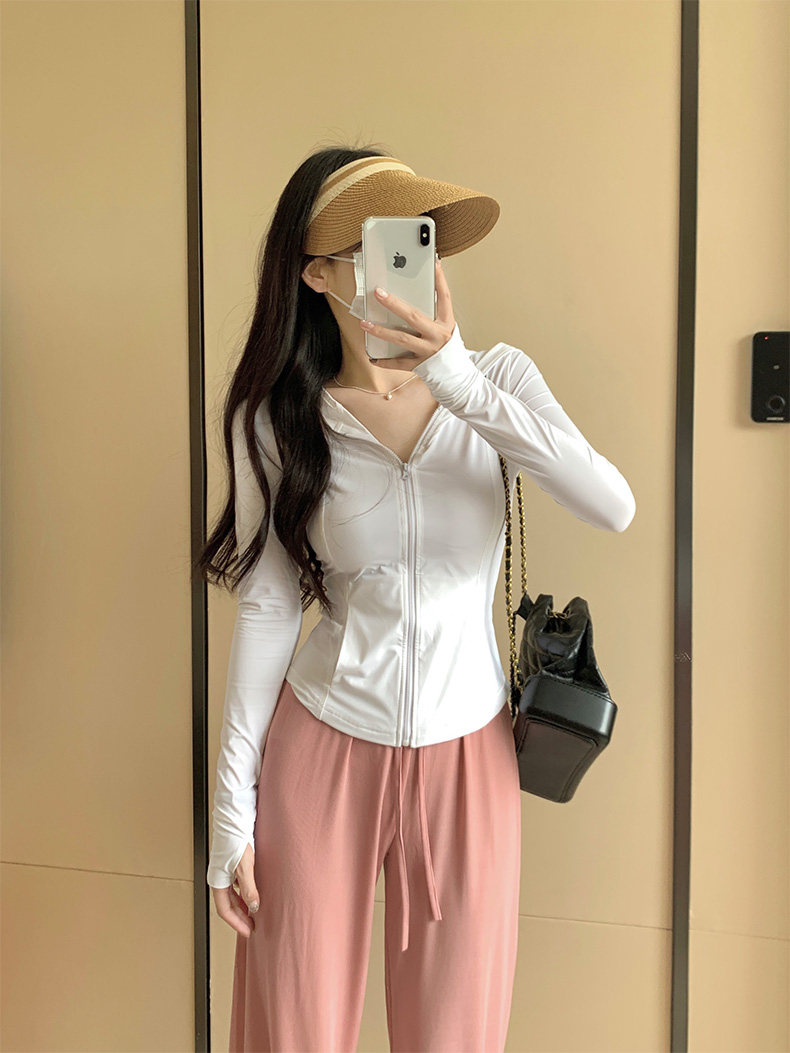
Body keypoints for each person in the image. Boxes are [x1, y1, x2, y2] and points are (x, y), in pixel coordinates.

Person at [195, 144, 636, 1053]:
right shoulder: (278, 415)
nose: (404, 264)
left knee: (455, 1034)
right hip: (321, 745)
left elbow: (612, 505)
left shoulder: (498, 380)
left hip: (469, 752)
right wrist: (231, 807)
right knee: (294, 1029)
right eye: (372, 246)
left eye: (415, 239)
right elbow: (270, 606)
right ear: (318, 273)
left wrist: (459, 382)